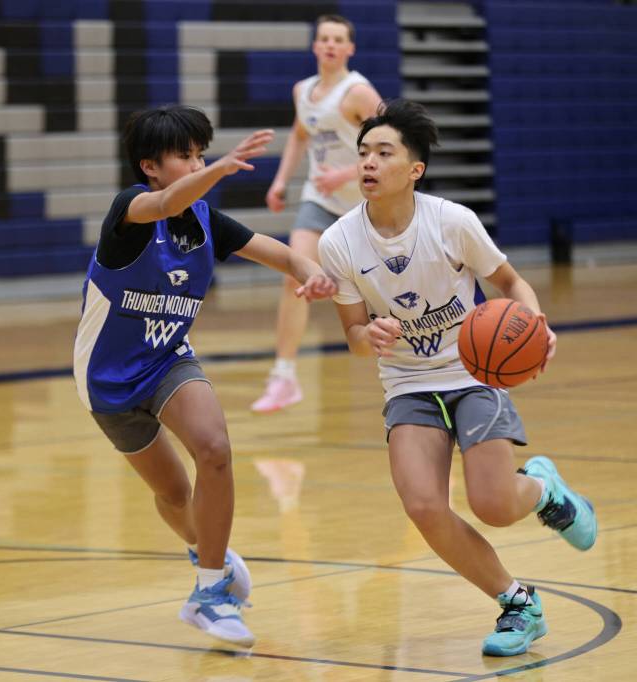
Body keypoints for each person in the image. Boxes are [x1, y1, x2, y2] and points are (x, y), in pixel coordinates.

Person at [317, 99, 598, 657]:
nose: (368, 163)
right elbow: (351, 331)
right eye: (363, 153)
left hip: (473, 370)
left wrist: (536, 328)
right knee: (422, 505)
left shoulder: (452, 222)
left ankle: (544, 490)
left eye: (383, 153)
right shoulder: (339, 243)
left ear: (414, 169)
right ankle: (518, 603)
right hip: (406, 382)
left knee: (493, 504)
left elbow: (512, 285)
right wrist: (366, 337)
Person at [73, 105, 337, 648]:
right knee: (172, 492)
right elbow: (169, 201)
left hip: (169, 359)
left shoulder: (204, 222)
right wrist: (218, 169)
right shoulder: (132, 209)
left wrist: (311, 273)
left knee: (214, 449)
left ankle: (209, 593)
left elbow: (283, 256)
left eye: (201, 153)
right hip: (107, 380)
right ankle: (205, 550)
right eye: (185, 156)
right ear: (149, 165)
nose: (198, 162)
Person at [250, 14, 382, 413]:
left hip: (364, 204)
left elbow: (393, 142)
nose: (329, 44)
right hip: (320, 201)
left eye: (337, 39)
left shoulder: (357, 92)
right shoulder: (303, 90)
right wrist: (280, 180)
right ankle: (285, 375)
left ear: (349, 49)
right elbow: (300, 134)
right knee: (295, 274)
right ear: (314, 46)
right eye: (323, 38)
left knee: (386, 289)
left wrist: (347, 172)